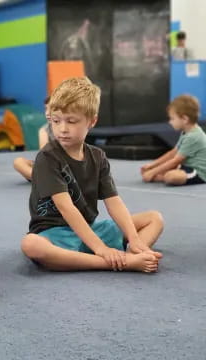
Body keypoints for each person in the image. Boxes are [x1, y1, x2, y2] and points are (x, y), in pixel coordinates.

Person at [20, 77, 163, 273]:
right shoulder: (47, 157)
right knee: (31, 244)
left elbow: (114, 201)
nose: (62, 129)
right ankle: (118, 262)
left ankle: (132, 252)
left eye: (71, 121)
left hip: (91, 227)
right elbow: (66, 208)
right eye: (55, 121)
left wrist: (135, 239)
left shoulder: (98, 156)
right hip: (55, 233)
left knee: (154, 218)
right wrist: (101, 249)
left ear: (92, 121)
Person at [141, 95, 206, 185]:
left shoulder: (193, 136)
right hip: (184, 167)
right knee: (152, 171)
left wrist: (152, 172)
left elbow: (176, 160)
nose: (170, 122)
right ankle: (161, 174)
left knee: (170, 177)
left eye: (172, 118)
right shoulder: (186, 132)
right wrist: (152, 165)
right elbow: (173, 152)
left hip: (199, 172)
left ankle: (162, 177)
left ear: (184, 119)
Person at [13, 97, 52, 181]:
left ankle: (47, 180)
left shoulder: (67, 129)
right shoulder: (44, 130)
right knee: (18, 161)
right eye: (46, 109)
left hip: (65, 165)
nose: (47, 113)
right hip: (49, 165)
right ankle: (39, 179)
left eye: (52, 109)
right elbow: (45, 154)